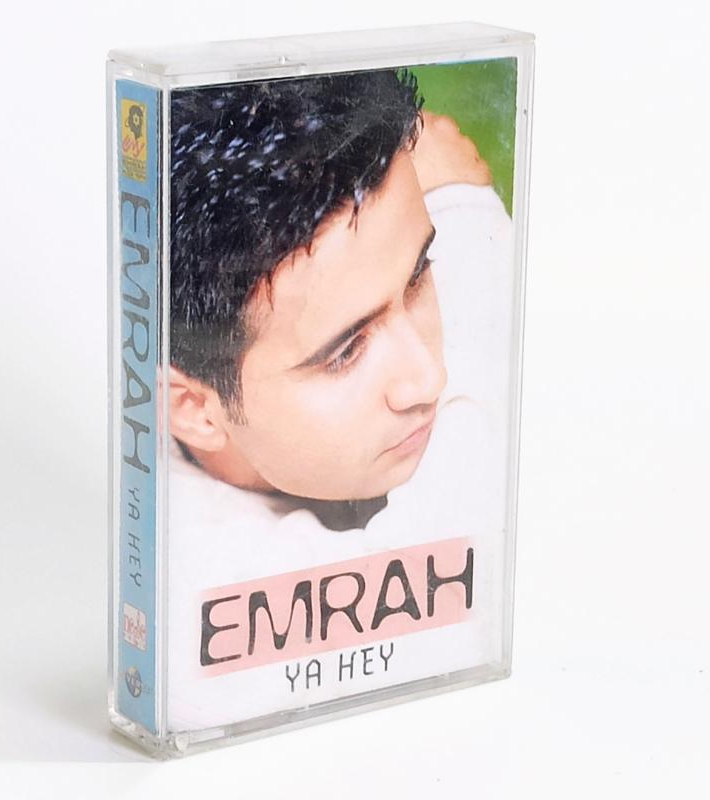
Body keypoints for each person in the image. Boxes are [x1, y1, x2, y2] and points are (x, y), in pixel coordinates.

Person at [164, 69, 516, 730]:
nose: (429, 379)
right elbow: (448, 609)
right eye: (345, 351)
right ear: (194, 409)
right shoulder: (190, 593)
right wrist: (469, 218)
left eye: (420, 273)